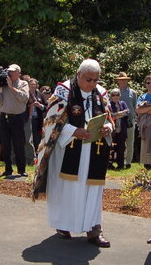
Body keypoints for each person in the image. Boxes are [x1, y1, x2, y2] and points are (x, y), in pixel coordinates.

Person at [32, 59, 114, 247]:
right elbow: (51, 120)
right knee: (67, 189)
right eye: (88, 80)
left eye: (95, 80)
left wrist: (108, 127)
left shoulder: (100, 93)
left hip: (94, 150)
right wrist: (73, 131)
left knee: (92, 190)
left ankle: (94, 229)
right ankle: (64, 225)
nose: (92, 84)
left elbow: (108, 117)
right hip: (68, 149)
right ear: (78, 75)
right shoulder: (63, 91)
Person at [0, 63, 29, 178]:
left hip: (17, 117)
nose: (10, 73)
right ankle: (8, 169)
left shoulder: (23, 83)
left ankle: (21, 169)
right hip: (4, 116)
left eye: (13, 71)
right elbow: (0, 101)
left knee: (19, 144)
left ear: (18, 73)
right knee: (5, 144)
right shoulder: (3, 83)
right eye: (9, 71)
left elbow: (24, 98)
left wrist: (11, 87)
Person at [114, 72, 138, 168]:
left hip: (130, 120)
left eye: (124, 80)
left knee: (130, 141)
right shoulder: (115, 92)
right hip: (118, 120)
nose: (123, 82)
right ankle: (118, 160)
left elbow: (134, 106)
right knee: (119, 142)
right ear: (118, 82)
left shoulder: (133, 93)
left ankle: (128, 162)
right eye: (121, 80)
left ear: (127, 81)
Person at [107, 88, 129, 170]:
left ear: (120, 96)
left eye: (117, 95)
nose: (115, 96)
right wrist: (119, 113)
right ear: (111, 96)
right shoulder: (109, 105)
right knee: (111, 148)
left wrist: (116, 115)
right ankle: (110, 164)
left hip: (122, 130)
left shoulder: (123, 103)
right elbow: (110, 115)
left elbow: (127, 112)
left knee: (121, 148)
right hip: (113, 130)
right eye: (113, 95)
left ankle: (120, 165)